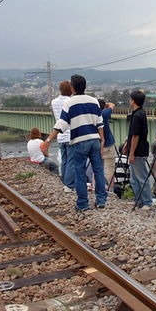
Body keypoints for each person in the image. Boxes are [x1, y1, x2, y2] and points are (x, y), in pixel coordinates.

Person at [43, 75, 107, 212]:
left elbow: (62, 124)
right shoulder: (94, 101)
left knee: (79, 172)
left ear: (72, 88)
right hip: (95, 140)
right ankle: (101, 201)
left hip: (79, 141)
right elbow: (100, 123)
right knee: (99, 171)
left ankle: (83, 204)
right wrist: (102, 140)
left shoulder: (70, 103)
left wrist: (48, 140)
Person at [123, 91, 153, 209]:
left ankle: (147, 202)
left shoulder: (137, 116)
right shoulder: (140, 113)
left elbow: (136, 136)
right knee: (134, 178)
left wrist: (131, 153)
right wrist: (127, 143)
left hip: (138, 151)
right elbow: (132, 135)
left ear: (133, 101)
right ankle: (139, 200)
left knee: (141, 177)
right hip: (138, 149)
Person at [51, 80, 75, 192]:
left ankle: (64, 182)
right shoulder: (71, 101)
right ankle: (69, 185)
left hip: (60, 135)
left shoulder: (53, 102)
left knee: (64, 160)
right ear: (70, 89)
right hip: (71, 134)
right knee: (71, 161)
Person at [98, 99, 116, 189]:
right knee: (110, 169)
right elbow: (112, 105)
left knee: (97, 169)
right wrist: (107, 104)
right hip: (108, 145)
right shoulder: (104, 114)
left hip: (97, 145)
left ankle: (97, 188)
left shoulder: (94, 116)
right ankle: (110, 190)